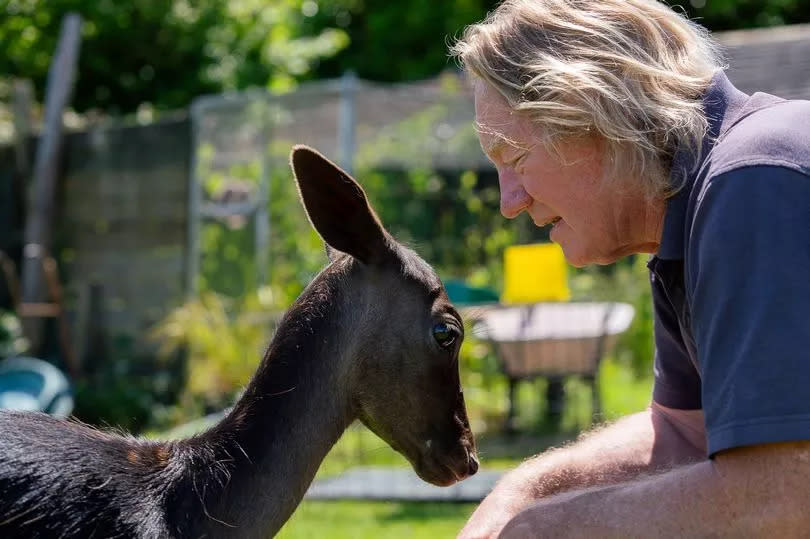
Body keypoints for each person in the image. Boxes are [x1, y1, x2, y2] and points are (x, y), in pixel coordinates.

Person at [450, 0, 810, 537]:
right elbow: (682, 434)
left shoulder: (754, 180)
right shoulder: (689, 219)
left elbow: (785, 495)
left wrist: (544, 530)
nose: (509, 202)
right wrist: (526, 493)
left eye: (517, 158)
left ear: (595, 116)